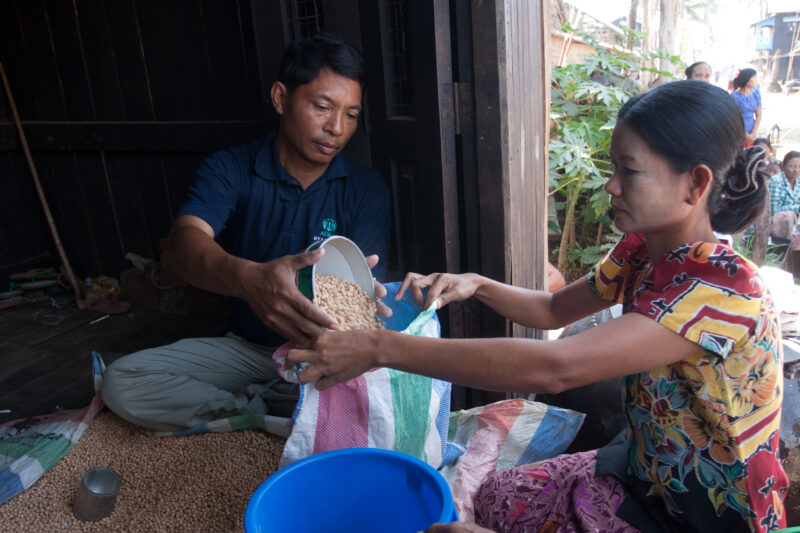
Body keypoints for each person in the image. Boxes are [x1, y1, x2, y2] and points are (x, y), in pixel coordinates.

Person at [287, 81, 788, 532]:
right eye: (614, 167)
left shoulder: (721, 289)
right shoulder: (643, 248)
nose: (612, 185)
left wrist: (378, 346)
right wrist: (477, 284)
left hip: (708, 512)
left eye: (629, 171)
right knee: (499, 500)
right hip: (648, 466)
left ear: (695, 184)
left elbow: (557, 367)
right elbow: (551, 311)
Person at [102, 33, 392, 432]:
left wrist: (370, 302)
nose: (337, 128)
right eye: (322, 107)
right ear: (280, 98)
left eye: (352, 115)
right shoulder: (232, 168)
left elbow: (362, 287)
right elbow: (182, 244)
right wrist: (250, 280)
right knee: (123, 381)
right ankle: (259, 413)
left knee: (380, 397)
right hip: (246, 349)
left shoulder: (366, 188)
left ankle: (266, 409)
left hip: (322, 353)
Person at [767, 150, 800, 242]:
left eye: (799, 167)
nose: (796, 170)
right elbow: (773, 210)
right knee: (788, 217)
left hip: (795, 219)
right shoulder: (775, 182)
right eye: (792, 166)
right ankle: (787, 247)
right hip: (773, 221)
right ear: (784, 166)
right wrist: (796, 208)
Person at [731, 68, 762, 146]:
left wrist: (753, 133)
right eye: (754, 77)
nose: (756, 80)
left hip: (752, 133)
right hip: (738, 133)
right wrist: (745, 135)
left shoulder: (755, 95)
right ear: (747, 80)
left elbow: (759, 115)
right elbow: (733, 118)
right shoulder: (734, 97)